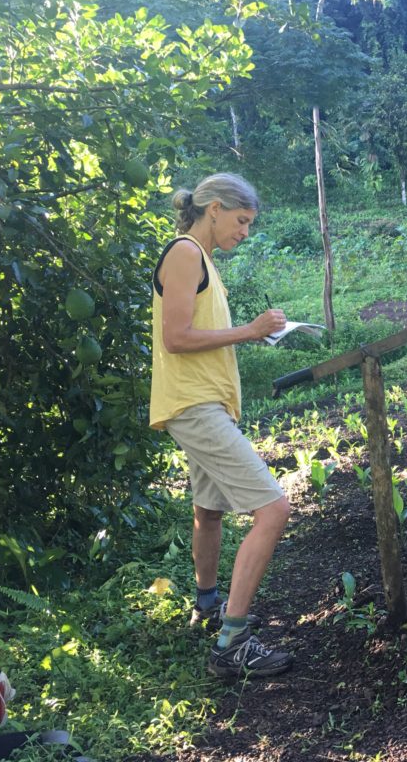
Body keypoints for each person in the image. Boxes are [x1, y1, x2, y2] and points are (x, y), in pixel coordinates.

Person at [149, 173, 294, 678]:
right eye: (241, 221)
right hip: (194, 405)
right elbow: (176, 337)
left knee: (208, 511)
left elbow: (196, 332)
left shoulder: (200, 259)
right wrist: (250, 331)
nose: (245, 232)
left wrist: (251, 335)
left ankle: (207, 606)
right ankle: (233, 642)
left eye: (249, 224)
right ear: (213, 208)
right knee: (274, 509)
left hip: (202, 403)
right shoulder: (186, 253)